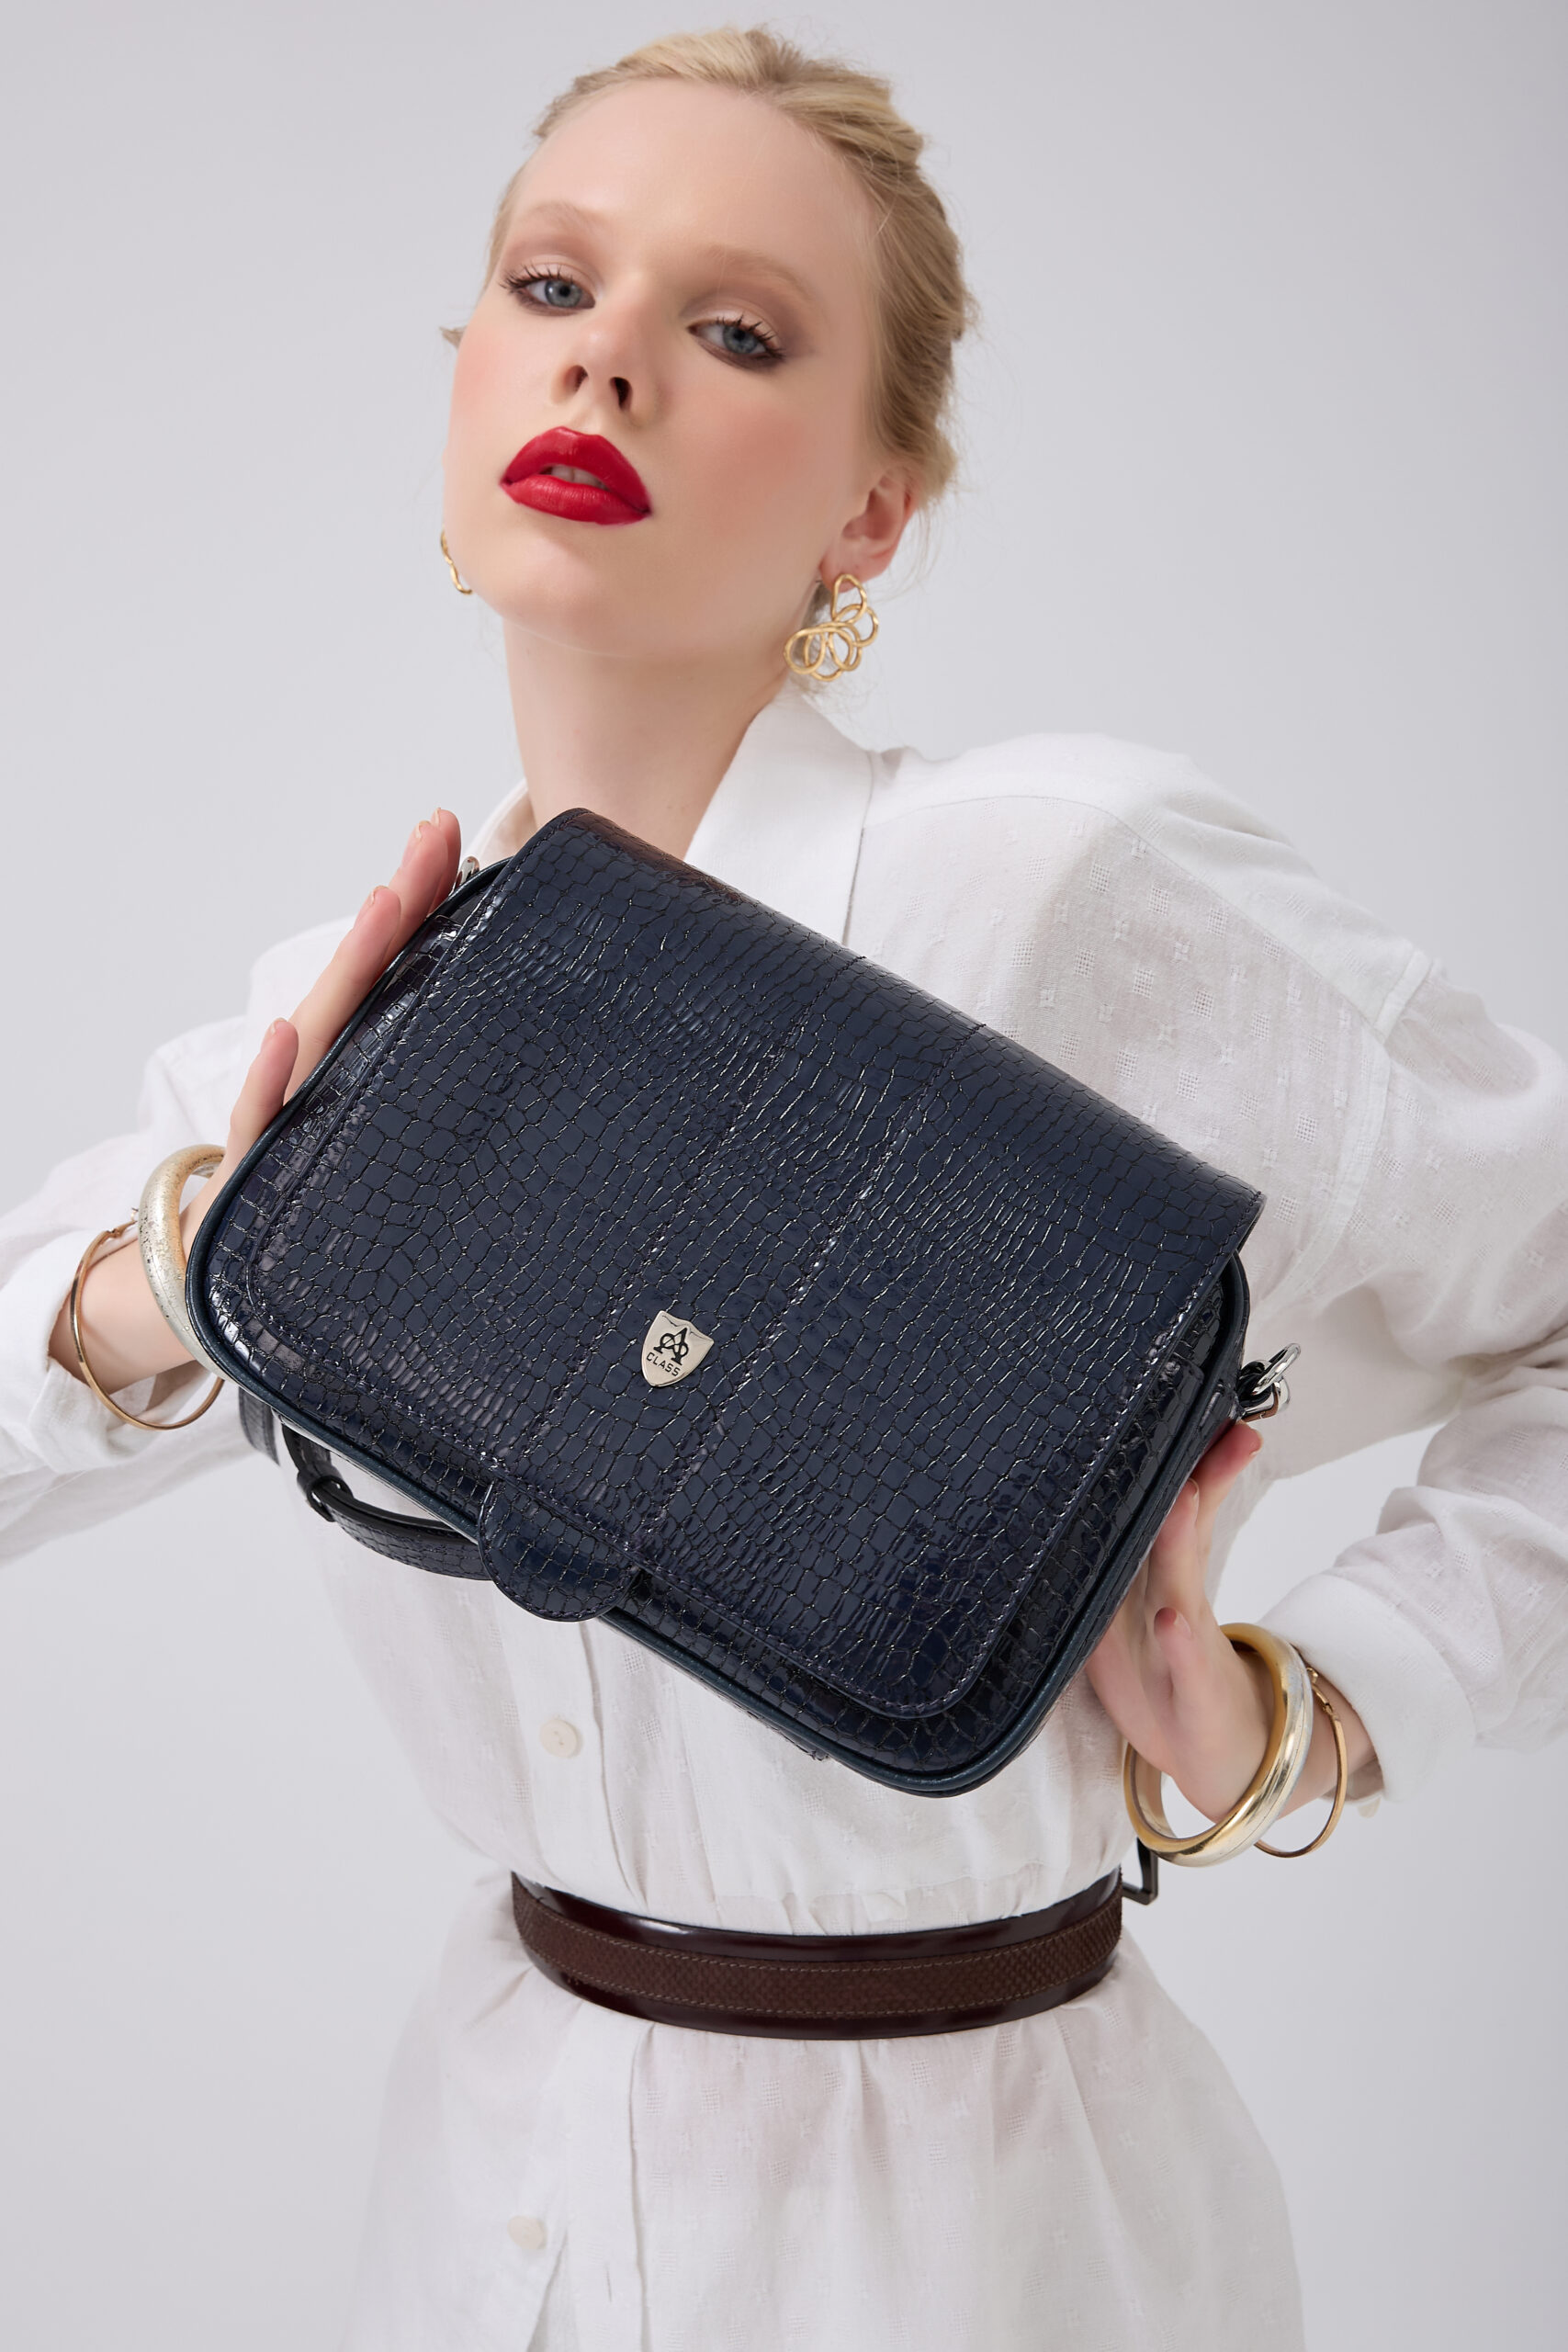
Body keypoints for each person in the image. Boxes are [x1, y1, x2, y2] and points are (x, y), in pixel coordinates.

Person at [2, 27, 1563, 2351]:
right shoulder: (340, 1018)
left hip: (987, 2234)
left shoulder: (1053, 884)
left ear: (868, 515)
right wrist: (188, 1259)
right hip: (493, 2197)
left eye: (734, 331)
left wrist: (1316, 1713)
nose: (606, 359)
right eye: (551, 287)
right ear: (461, 388)